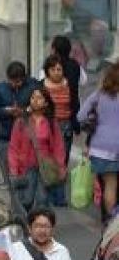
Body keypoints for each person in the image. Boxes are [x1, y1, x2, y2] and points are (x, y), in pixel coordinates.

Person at [8, 86, 66, 213]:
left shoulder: (51, 123)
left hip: (44, 167)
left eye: (39, 98)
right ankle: (26, 224)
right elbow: (13, 147)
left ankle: (41, 227)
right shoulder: (21, 122)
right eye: (33, 97)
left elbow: (58, 147)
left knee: (42, 199)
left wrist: (60, 167)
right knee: (26, 200)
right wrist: (14, 168)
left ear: (46, 102)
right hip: (26, 167)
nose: (35, 100)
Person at [78, 62, 119, 220]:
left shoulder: (99, 95)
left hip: (100, 147)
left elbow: (80, 116)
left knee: (109, 184)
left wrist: (94, 118)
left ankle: (110, 221)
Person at [0, 61, 39, 171]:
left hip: (27, 139)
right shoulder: (1, 89)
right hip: (6, 138)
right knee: (3, 172)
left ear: (24, 78)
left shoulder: (33, 87)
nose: (14, 84)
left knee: (26, 172)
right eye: (11, 81)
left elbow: (40, 106)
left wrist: (25, 111)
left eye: (18, 82)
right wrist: (5, 111)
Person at [42, 55, 74, 207]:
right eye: (53, 69)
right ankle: (48, 193)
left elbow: (74, 104)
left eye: (59, 69)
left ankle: (60, 197)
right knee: (48, 161)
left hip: (65, 126)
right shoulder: (42, 86)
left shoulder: (68, 85)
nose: (57, 72)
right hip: (48, 126)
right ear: (47, 71)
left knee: (62, 161)